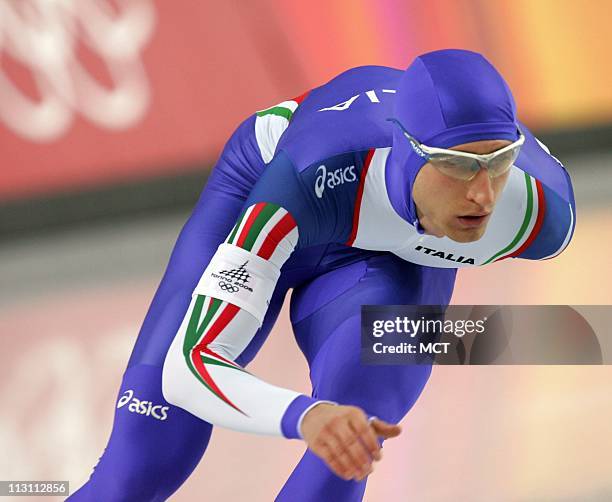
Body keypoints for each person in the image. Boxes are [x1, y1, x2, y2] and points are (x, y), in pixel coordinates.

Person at [69, 49, 575, 501]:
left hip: (393, 261)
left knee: (358, 426)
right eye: (457, 165)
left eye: (500, 161)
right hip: (287, 193)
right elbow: (190, 366)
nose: (483, 195)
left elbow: (546, 334)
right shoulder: (306, 176)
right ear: (405, 148)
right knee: (138, 471)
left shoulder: (540, 213)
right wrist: (303, 416)